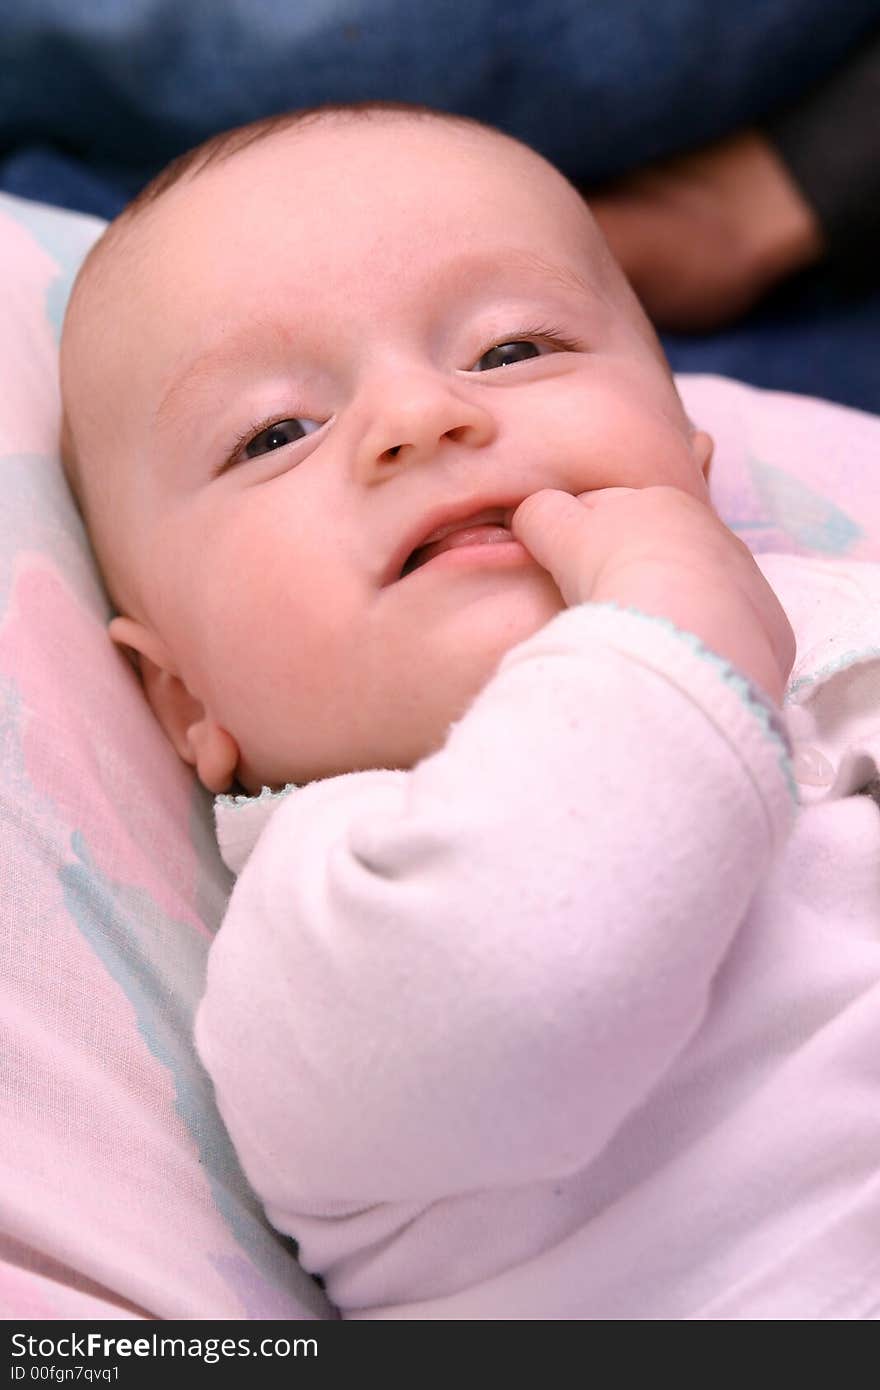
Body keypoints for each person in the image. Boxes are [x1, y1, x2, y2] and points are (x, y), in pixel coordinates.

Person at [59, 102, 880, 1319]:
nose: (419, 416)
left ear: (693, 466)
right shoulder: (325, 926)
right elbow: (534, 980)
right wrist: (670, 632)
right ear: (187, 697)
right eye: (275, 431)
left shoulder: (830, 623)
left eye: (510, 351)